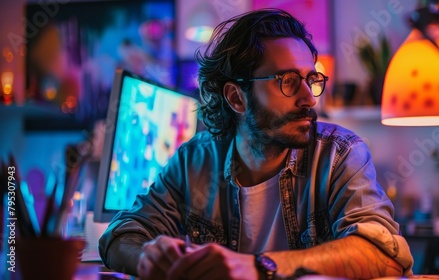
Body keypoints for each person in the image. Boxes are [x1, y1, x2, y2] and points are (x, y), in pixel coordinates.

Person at [99, 8, 414, 279]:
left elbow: (384, 252)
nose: (308, 98)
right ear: (237, 97)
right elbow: (120, 234)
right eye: (288, 81)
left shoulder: (339, 154)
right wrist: (148, 257)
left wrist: (261, 268)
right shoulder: (194, 161)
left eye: (311, 80)